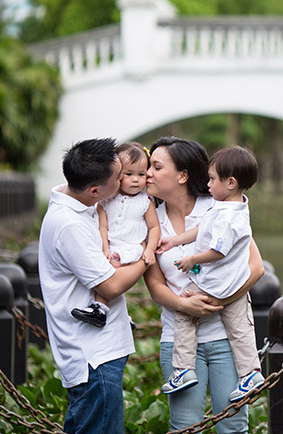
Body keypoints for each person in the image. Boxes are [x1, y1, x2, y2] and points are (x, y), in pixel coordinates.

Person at [143, 137, 265, 434]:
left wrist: (217, 301)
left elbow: (256, 267)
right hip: (178, 338)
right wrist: (185, 305)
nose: (147, 173)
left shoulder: (220, 208)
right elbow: (155, 285)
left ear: (182, 176)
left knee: (233, 426)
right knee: (184, 427)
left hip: (225, 336)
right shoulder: (148, 222)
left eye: (156, 167)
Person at [37, 138, 149, 434]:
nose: (126, 179)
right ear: (95, 190)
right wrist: (147, 254)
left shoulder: (79, 202)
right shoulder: (70, 225)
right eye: (119, 176)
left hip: (96, 351)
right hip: (93, 357)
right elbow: (111, 286)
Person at [71, 142, 159, 328]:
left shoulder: (146, 202)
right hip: (111, 245)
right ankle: (119, 316)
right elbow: (102, 225)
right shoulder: (108, 199)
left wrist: (149, 249)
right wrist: (104, 248)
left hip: (132, 248)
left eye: (141, 174)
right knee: (105, 268)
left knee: (111, 273)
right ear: (118, 175)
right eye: (129, 174)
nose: (136, 180)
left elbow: (154, 227)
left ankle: (101, 309)